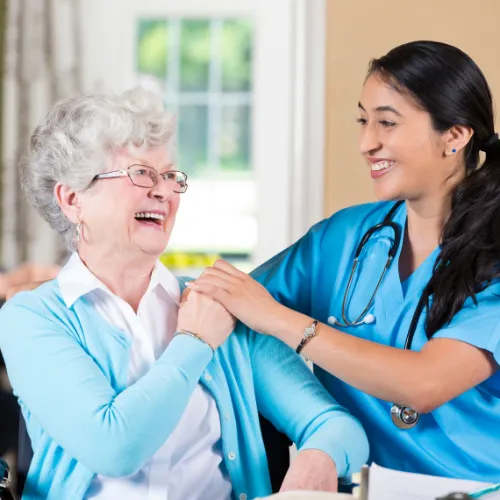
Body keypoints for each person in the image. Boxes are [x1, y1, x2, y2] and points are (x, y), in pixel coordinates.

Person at [0, 88, 369, 500]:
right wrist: (194, 342)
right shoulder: (32, 317)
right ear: (72, 199)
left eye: (171, 176)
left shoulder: (220, 305)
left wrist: (320, 455)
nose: (164, 192)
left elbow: (339, 427)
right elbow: (114, 448)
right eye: (141, 174)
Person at [186, 40, 500, 482]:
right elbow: (226, 308)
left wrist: (280, 320)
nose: (366, 143)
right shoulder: (344, 238)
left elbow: (425, 384)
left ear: (455, 135)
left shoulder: (494, 256)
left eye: (387, 123)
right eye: (364, 120)